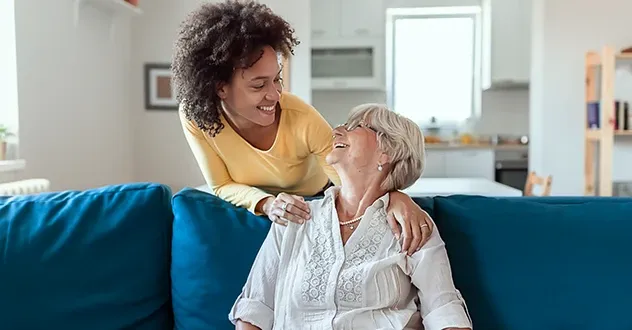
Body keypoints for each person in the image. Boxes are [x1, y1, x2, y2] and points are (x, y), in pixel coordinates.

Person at [172, 0, 433, 254]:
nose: (274, 95)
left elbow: (354, 181)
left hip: (316, 198)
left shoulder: (301, 117)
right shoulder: (197, 118)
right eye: (259, 85)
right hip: (259, 205)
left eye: (277, 79)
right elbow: (221, 185)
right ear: (220, 87)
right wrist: (267, 203)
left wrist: (396, 198)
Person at [228, 104, 472, 330]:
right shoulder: (294, 218)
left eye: (357, 126)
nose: (337, 131)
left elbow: (443, 309)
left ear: (386, 152)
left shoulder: (410, 225)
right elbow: (254, 309)